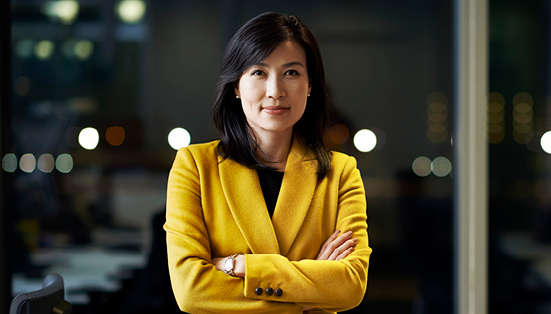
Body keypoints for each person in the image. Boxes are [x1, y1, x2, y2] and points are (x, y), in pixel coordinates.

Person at [165, 12, 371, 314]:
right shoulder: (194, 166)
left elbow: (350, 287)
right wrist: (310, 289)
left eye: (291, 73)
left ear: (310, 85)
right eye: (259, 73)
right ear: (236, 85)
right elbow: (191, 292)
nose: (275, 91)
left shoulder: (341, 172)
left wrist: (239, 265)